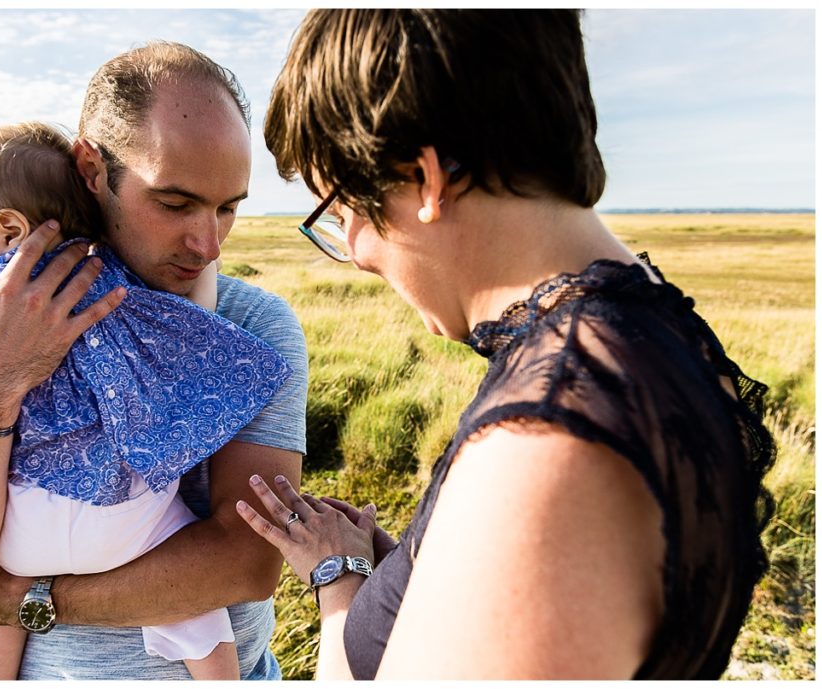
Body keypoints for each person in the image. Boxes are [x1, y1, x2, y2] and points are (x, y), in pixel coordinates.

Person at [236, 9, 775, 680]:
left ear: (426, 177)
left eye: (342, 213)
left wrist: (337, 582)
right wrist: (404, 569)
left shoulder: (552, 435)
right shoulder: (662, 338)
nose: (355, 253)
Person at [0, 43, 308, 680]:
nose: (208, 243)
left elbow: (247, 561)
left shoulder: (253, 330)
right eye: (174, 202)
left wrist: (31, 603)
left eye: (229, 206)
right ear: (93, 166)